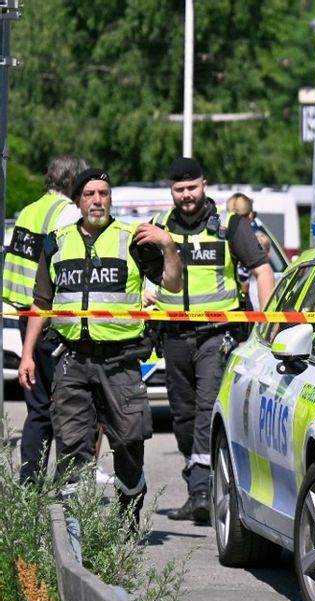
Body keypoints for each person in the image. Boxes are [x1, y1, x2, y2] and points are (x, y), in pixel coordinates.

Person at [17, 168, 181, 525]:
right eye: (90, 194)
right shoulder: (56, 242)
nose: (97, 200)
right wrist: (28, 354)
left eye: (104, 193)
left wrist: (168, 246)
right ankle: (74, 531)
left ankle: (128, 517)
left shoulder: (132, 240)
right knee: (72, 447)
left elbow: (172, 284)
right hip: (72, 360)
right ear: (78, 201)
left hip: (120, 362)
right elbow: (41, 303)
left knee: (128, 445)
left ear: (111, 199)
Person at [155, 157, 274, 524]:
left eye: (192, 187)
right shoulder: (160, 227)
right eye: (179, 189)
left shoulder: (228, 225)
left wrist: (268, 325)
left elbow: (262, 269)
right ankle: (199, 487)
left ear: (204, 185)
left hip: (215, 335)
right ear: (172, 191)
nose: (186, 195)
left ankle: (203, 494)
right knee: (183, 417)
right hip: (174, 335)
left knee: (207, 409)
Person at [3, 154, 87, 484]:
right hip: (52, 320)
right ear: (73, 181)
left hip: (27, 316)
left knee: (37, 407)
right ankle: (68, 483)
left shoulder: (29, 210)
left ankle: (30, 481)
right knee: (67, 405)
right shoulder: (65, 213)